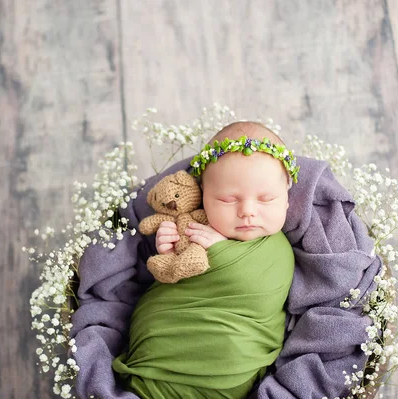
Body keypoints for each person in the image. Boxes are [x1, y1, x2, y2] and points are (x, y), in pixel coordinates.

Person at [112, 122, 299, 399]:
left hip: (228, 364)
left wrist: (222, 252)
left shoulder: (278, 250)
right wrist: (168, 251)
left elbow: (261, 291)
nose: (247, 211)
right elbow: (170, 276)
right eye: (226, 200)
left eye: (266, 198)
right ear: (203, 197)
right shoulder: (192, 228)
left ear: (286, 197)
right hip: (160, 343)